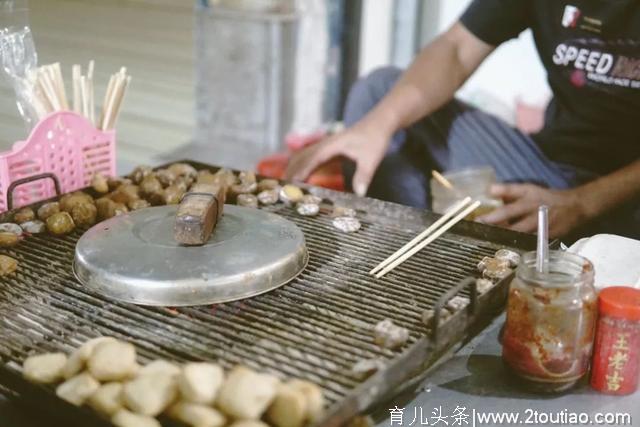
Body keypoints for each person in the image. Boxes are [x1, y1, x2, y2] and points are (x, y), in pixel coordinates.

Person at [285, 0, 640, 240]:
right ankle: (414, 256)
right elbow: (455, 49)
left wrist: (583, 203)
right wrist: (376, 127)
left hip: (627, 200)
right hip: (548, 175)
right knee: (379, 94)